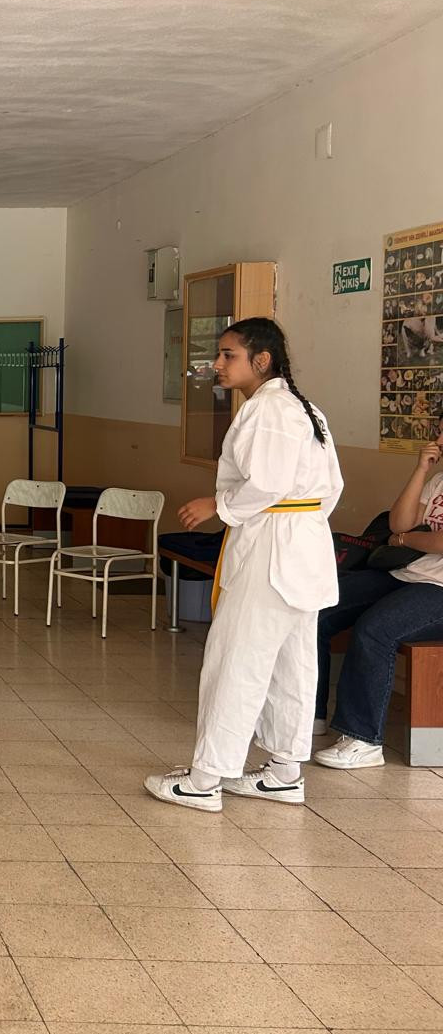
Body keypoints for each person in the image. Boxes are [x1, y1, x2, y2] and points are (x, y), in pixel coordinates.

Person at [146, 318, 343, 812]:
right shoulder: (302, 408)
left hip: (273, 549)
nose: (217, 363)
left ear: (262, 359)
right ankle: (284, 773)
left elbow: (268, 483)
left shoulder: (271, 409)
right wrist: (292, 522)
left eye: (228, 354)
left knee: (236, 660)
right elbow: (332, 489)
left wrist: (219, 506)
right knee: (292, 665)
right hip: (304, 546)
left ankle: (205, 779)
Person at [312, 430, 443, 770]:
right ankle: (309, 714)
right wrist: (421, 470)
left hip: (438, 588)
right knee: (320, 608)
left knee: (375, 630)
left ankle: (363, 739)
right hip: (407, 573)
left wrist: (404, 540)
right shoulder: (438, 481)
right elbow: (398, 522)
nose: (440, 438)